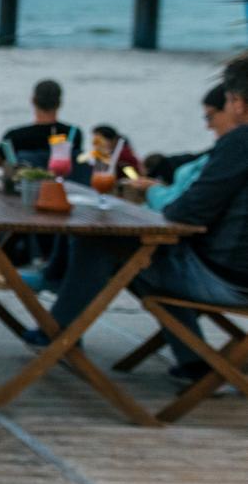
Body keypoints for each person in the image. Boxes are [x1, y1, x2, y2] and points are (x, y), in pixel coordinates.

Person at [45, 55, 248, 383]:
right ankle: (192, 360)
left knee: (102, 242)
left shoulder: (241, 142)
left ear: (237, 102)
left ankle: (57, 333)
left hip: (229, 279)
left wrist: (155, 195)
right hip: (232, 273)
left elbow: (187, 212)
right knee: (150, 256)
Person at [145, 86, 235, 211]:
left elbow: (184, 208)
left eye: (209, 117)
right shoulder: (218, 155)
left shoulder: (227, 159)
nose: (208, 126)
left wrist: (152, 190)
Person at [0, 79, 83, 169]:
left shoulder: (13, 136)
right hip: (64, 181)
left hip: (26, 181)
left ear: (33, 100)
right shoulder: (72, 134)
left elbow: (2, 165)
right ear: (59, 103)